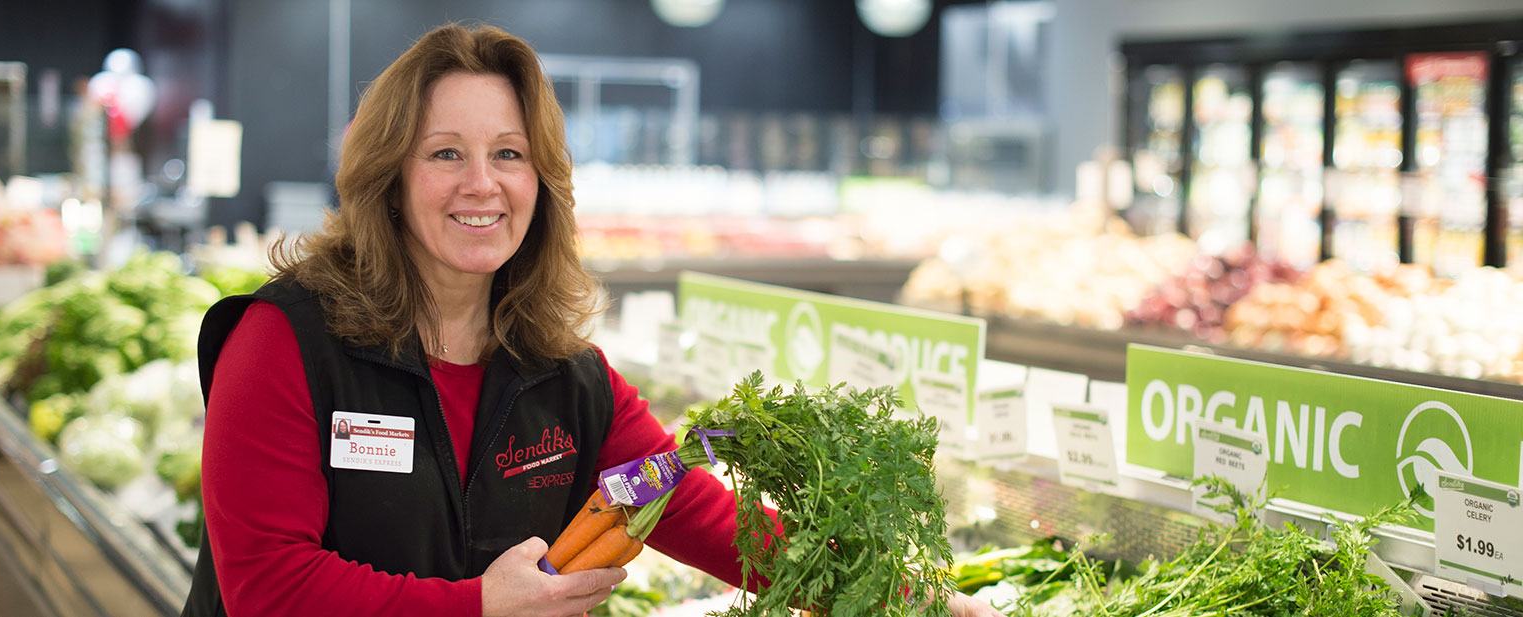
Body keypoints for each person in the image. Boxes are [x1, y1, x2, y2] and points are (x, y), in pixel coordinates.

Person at [181, 22, 1001, 617]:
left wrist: (908, 599)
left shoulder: (567, 378)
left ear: (542, 181)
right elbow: (269, 588)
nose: (483, 184)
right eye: (444, 154)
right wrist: (478, 606)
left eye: (509, 153)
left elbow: (696, 509)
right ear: (388, 179)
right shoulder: (286, 340)